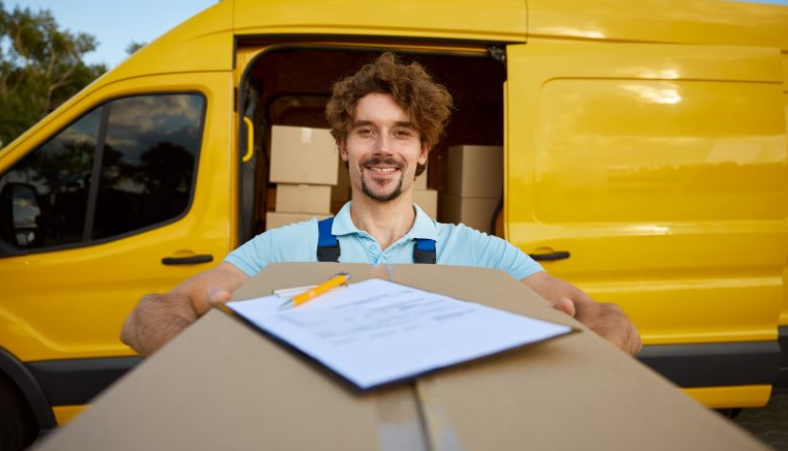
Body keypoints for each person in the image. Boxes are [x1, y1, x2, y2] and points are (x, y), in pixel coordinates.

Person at [121, 52, 641, 357]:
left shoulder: (483, 254)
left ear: (422, 153)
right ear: (343, 146)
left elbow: (611, 319)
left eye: (402, 133)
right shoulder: (283, 248)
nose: (383, 149)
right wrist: (208, 365)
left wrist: (579, 356)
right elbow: (149, 314)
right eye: (366, 132)